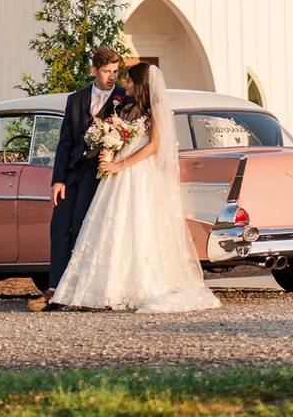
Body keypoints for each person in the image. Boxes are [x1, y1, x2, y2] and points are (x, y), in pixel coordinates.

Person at [49, 62, 221, 313]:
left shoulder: (157, 107)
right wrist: (110, 150)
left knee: (137, 226)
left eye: (128, 80)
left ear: (140, 84)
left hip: (138, 171)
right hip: (119, 171)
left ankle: (138, 286)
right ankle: (105, 287)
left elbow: (153, 146)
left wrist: (122, 165)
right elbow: (118, 133)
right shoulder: (128, 106)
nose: (124, 84)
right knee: (112, 227)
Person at [27, 48, 126, 312]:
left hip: (99, 174)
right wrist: (57, 179)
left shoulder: (123, 99)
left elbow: (129, 136)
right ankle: (55, 287)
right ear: (94, 70)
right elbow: (64, 142)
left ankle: (76, 288)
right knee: (59, 226)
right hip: (71, 173)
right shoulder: (75, 99)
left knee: (83, 228)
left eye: (115, 71)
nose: (111, 76)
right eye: (106, 71)